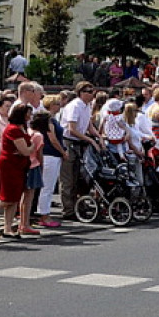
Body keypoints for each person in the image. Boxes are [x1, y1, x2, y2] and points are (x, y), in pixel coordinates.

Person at [0, 103, 35, 238]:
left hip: (19, 165)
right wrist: (33, 145)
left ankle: (7, 228)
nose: (30, 116)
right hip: (10, 166)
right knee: (7, 197)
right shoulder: (13, 129)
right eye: (28, 113)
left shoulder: (23, 128)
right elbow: (25, 150)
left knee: (14, 198)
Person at [59, 81, 102, 221]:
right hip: (69, 142)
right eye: (88, 91)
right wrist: (89, 140)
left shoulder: (87, 106)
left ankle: (79, 206)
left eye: (92, 91)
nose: (91, 94)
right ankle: (68, 209)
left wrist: (98, 137)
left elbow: (89, 126)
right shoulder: (75, 106)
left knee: (80, 177)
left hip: (79, 143)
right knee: (68, 178)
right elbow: (72, 129)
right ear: (81, 93)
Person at [36, 97, 67, 228]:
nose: (59, 106)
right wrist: (63, 152)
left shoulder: (53, 119)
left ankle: (44, 212)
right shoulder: (49, 121)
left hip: (52, 155)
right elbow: (53, 139)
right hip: (50, 155)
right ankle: (44, 215)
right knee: (47, 186)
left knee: (48, 185)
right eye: (56, 104)